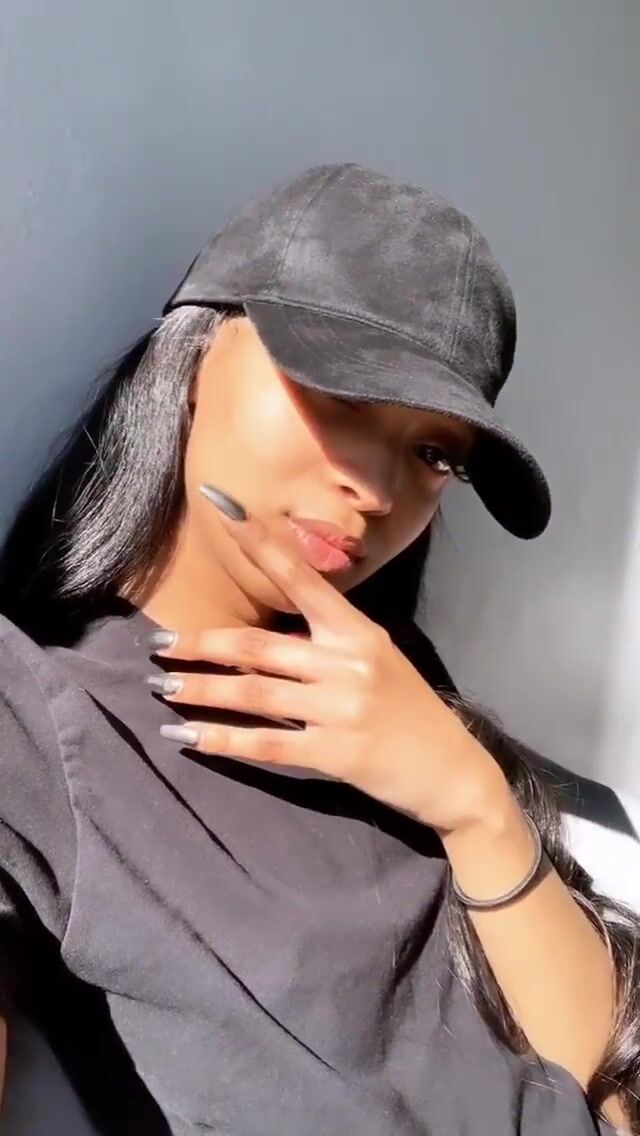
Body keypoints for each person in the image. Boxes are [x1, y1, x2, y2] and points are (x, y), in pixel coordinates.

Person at [0, 163, 637, 1136]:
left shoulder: (391, 680)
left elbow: (605, 1088)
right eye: (341, 393)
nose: (377, 492)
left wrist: (472, 801)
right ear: (194, 352)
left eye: (434, 453)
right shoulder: (38, 705)